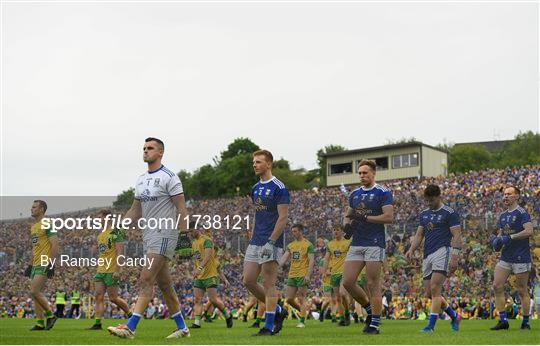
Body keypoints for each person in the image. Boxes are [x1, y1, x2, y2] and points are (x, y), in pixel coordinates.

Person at [108, 137, 190, 339]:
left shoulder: (170, 177)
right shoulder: (141, 179)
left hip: (165, 233)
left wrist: (184, 236)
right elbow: (135, 210)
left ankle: (130, 327)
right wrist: (119, 228)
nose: (145, 151)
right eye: (144, 148)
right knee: (165, 285)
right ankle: (182, 328)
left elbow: (181, 206)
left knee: (146, 278)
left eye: (150, 148)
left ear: (160, 152)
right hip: (149, 235)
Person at [342, 159, 394, 334]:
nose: (362, 176)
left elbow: (388, 217)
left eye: (365, 173)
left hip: (374, 242)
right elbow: (348, 215)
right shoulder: (354, 194)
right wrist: (346, 226)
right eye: (360, 173)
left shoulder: (383, 192)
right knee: (348, 282)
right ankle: (370, 310)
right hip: (357, 242)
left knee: (372, 284)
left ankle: (375, 324)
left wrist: (365, 218)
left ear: (373, 173)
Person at [242, 149, 289, 336]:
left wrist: (271, 241)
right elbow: (257, 214)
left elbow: (283, 217)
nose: (255, 164)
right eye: (254, 162)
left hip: (272, 241)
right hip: (256, 240)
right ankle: (278, 310)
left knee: (269, 283)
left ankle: (269, 326)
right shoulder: (255, 188)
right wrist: (253, 234)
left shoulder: (279, 187)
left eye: (259, 162)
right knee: (248, 280)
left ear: (268, 164)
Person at [405, 184, 462, 332]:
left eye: (431, 200)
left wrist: (455, 257)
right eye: (427, 201)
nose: (429, 203)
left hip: (443, 252)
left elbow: (456, 235)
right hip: (427, 254)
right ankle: (454, 316)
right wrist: (411, 249)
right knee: (429, 293)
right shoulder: (424, 214)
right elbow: (419, 234)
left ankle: (430, 326)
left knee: (436, 288)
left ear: (438, 196)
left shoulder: (449, 213)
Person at [490, 186, 534, 331]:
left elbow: (529, 231)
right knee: (497, 286)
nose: (506, 196)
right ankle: (503, 321)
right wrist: (497, 241)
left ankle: (526, 322)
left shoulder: (522, 213)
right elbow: (502, 234)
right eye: (504, 194)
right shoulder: (502, 215)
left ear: (517, 196)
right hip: (506, 257)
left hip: (521, 257)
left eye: (509, 194)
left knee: (522, 290)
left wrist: (510, 237)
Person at [87, 209, 132, 330]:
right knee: (98, 296)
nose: (98, 220)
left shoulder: (115, 232)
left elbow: (120, 252)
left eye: (100, 217)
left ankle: (131, 315)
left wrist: (117, 270)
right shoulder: (101, 235)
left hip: (111, 270)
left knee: (113, 298)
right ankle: (97, 323)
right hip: (101, 269)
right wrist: (95, 250)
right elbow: (103, 252)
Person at [189, 223, 233, 329]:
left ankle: (227, 315)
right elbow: (197, 259)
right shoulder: (194, 243)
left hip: (210, 275)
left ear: (196, 229)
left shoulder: (207, 240)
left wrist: (199, 268)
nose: (190, 233)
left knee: (213, 300)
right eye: (188, 232)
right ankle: (197, 323)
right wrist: (195, 270)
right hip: (199, 276)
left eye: (191, 231)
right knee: (197, 300)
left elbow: (208, 256)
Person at [26, 200, 58, 330]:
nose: (31, 209)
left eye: (34, 207)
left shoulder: (47, 223)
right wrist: (30, 265)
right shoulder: (34, 227)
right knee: (35, 294)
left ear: (42, 209)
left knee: (34, 291)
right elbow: (35, 248)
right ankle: (40, 323)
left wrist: (52, 263)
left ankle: (51, 315)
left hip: (45, 262)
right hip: (36, 263)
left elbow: (55, 244)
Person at [278, 223, 315, 328]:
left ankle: (302, 321)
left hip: (302, 274)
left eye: (295, 231)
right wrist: (276, 267)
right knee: (289, 299)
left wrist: (308, 275)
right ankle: (302, 311)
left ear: (300, 231)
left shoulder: (308, 245)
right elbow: (284, 258)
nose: (293, 233)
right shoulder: (291, 245)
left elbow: (311, 261)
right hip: (292, 274)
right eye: (292, 231)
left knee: (302, 298)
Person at [322, 226, 351, 327]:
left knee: (343, 294)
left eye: (337, 229)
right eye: (334, 230)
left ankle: (347, 313)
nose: (335, 231)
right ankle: (342, 319)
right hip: (334, 273)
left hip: (344, 272)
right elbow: (326, 259)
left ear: (342, 231)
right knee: (338, 298)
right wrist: (324, 271)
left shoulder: (347, 242)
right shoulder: (330, 244)